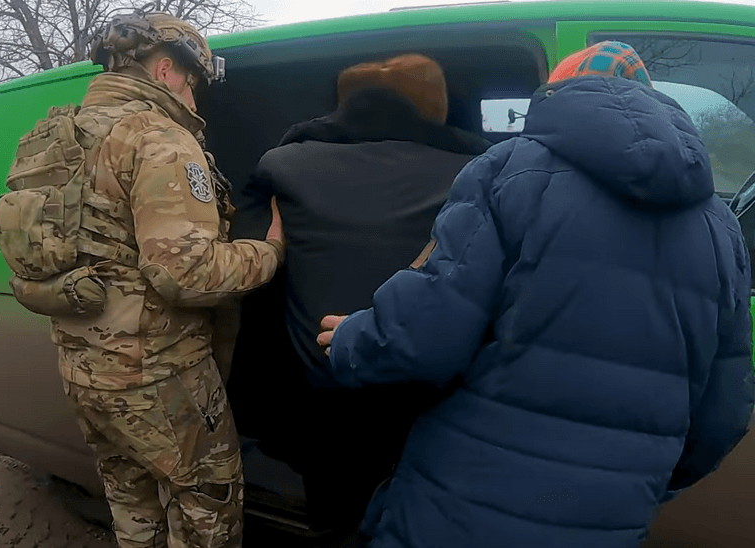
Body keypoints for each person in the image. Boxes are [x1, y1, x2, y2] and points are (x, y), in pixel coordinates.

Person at [316, 41, 754, 548]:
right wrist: (640, 474)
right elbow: (724, 413)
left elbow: (428, 331)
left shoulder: (513, 168)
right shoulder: (720, 227)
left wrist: (353, 339)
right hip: (611, 517)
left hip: (464, 504)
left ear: (560, 93)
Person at [40, 12, 284, 548]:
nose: (194, 99)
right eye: (193, 83)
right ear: (167, 70)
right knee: (208, 511)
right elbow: (187, 274)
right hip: (159, 376)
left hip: (83, 369)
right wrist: (268, 252)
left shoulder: (59, 134)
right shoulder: (159, 138)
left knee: (132, 511)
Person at [228, 53, 490, 545]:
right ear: (436, 108)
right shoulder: (478, 173)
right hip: (430, 398)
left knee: (338, 518)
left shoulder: (281, 165)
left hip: (321, 401)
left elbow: (253, 271)